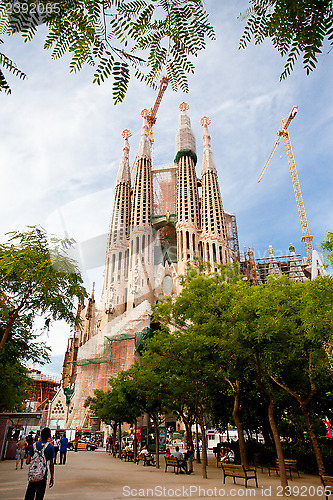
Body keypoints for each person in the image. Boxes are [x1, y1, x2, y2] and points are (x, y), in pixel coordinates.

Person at [24, 427, 54, 500]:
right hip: (43, 474)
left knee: (29, 494)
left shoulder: (34, 445)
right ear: (49, 436)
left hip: (33, 473)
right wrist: (52, 477)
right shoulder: (50, 447)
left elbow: (27, 461)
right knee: (39, 496)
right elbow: (51, 464)